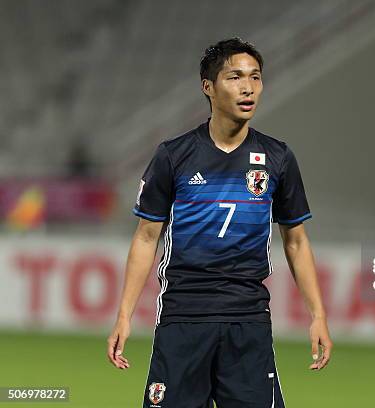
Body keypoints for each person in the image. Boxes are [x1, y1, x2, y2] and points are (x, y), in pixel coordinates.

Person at [106, 37, 332, 408]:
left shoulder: (277, 157)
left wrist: (318, 315)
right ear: (208, 88)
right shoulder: (174, 155)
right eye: (235, 77)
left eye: (255, 77)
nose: (248, 88)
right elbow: (147, 238)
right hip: (183, 318)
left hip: (248, 321)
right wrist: (124, 315)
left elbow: (296, 241)